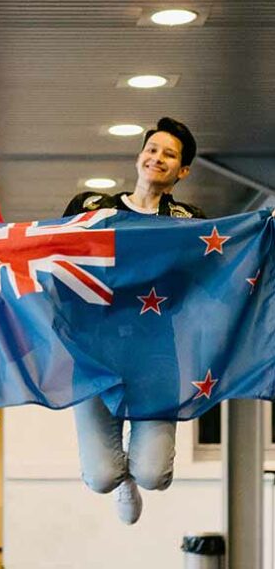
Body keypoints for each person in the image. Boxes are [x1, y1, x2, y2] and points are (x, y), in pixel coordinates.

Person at [62, 117, 204, 525]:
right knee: (102, 477)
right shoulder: (91, 208)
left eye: (169, 155)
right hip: (94, 354)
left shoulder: (189, 219)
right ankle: (121, 482)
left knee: (154, 474)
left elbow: (222, 263)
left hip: (155, 356)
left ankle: (137, 478)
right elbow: (39, 245)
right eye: (152, 149)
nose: (157, 158)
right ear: (140, 155)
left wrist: (265, 227)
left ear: (183, 171)